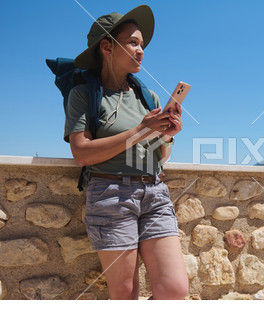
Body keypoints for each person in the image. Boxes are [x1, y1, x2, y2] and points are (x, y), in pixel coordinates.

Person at [64, 5, 189, 300]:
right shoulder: (83, 95)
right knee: (125, 294)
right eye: (133, 42)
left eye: (141, 44)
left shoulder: (149, 97)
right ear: (107, 46)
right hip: (110, 195)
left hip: (154, 193)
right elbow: (81, 153)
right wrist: (140, 130)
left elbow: (161, 157)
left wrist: (166, 137)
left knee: (174, 289)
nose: (141, 50)